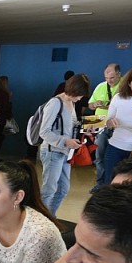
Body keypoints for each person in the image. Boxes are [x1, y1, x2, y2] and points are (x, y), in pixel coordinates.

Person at [38, 73, 90, 216]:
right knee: (49, 190)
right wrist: (65, 141)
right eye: (79, 95)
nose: (80, 98)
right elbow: (44, 132)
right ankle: (41, 220)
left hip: (65, 152)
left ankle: (50, 217)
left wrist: (86, 127)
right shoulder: (55, 103)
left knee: (63, 189)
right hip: (52, 152)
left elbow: (71, 125)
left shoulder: (71, 103)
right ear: (73, 90)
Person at [88, 63, 122, 193]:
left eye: (112, 78)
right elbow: (90, 105)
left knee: (115, 158)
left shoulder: (125, 87)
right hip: (100, 125)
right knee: (99, 156)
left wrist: (108, 106)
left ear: (119, 74)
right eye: (107, 78)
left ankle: (113, 184)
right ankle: (100, 183)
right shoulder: (100, 86)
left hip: (117, 127)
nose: (109, 81)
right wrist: (95, 104)